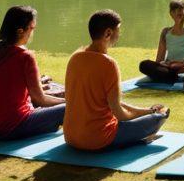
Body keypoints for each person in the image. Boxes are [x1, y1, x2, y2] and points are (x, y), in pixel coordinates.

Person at [64, 10, 170, 151]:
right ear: (108, 33)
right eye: (118, 30)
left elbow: (109, 102)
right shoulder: (108, 64)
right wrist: (148, 115)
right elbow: (119, 114)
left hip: (71, 137)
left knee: (150, 114)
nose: (119, 35)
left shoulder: (75, 58)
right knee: (162, 113)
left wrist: (145, 111)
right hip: (97, 139)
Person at [0, 6, 67, 140]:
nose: (32, 33)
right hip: (9, 128)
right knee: (69, 108)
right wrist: (68, 101)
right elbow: (39, 99)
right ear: (20, 31)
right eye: (32, 28)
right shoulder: (25, 56)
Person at [138, 0, 184, 86]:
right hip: (168, 68)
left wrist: (183, 68)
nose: (178, 11)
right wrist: (161, 66)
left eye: (180, 9)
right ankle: (173, 78)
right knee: (144, 65)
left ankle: (167, 78)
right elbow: (159, 59)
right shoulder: (165, 32)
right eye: (175, 10)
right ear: (171, 14)